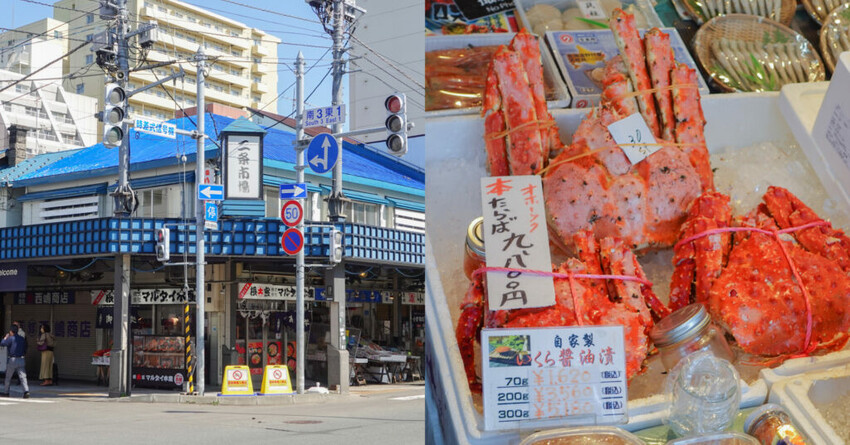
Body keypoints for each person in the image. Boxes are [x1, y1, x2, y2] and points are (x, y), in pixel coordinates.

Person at [1, 324, 30, 398]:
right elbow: (25, 347)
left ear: (11, 331)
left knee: (8, 377)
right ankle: (26, 391)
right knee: (23, 377)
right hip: (21, 359)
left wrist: (5, 338)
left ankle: (6, 392)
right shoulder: (22, 339)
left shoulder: (11, 338)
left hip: (12, 359)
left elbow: (2, 343)